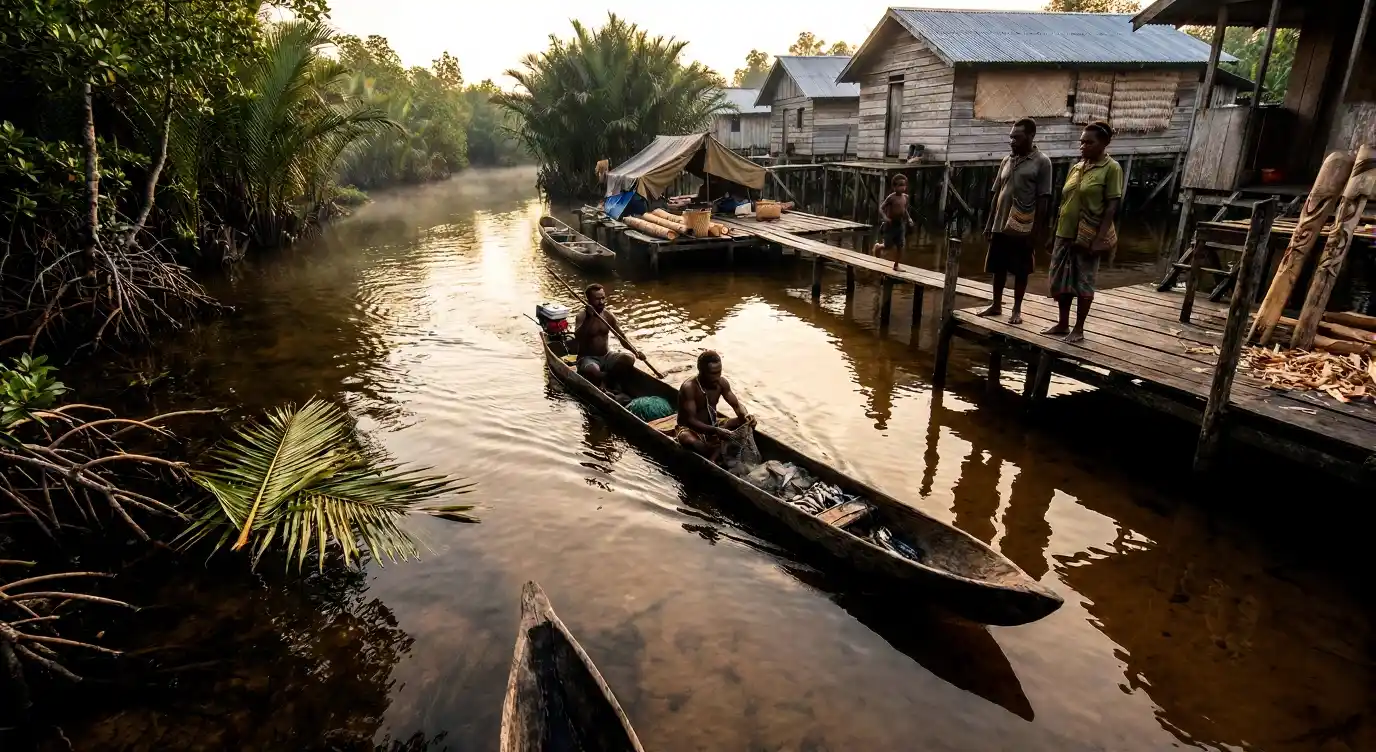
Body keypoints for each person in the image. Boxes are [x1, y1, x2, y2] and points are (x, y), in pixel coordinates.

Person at [1044, 121, 1123, 344]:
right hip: (1064, 232)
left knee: (1083, 281)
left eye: (1089, 142)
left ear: (1104, 143)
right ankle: (1062, 323)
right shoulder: (1077, 167)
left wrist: (1099, 238)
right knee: (1060, 279)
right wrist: (1053, 233)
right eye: (1081, 142)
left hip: (1088, 234)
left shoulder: (1111, 168)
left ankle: (1079, 329)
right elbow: (1064, 202)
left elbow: (1111, 206)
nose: (1083, 146)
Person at [978, 117, 1053, 325]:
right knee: (998, 266)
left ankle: (1017, 309)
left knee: (1021, 269)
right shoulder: (1006, 160)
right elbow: (996, 194)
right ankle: (996, 304)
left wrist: (1036, 232)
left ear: (1030, 136)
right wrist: (989, 224)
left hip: (1023, 224)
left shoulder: (1042, 162)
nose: (1012, 142)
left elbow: (1043, 199)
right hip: (1000, 223)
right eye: (1011, 137)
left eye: (1017, 138)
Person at [676, 350, 754, 461]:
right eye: (713, 374)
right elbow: (690, 421)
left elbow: (737, 406)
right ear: (701, 371)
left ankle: (717, 449)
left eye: (719, 372)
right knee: (687, 438)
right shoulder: (689, 388)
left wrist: (745, 415)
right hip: (692, 429)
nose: (717, 377)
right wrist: (715, 431)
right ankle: (714, 451)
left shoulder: (722, 383)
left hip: (713, 424)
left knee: (743, 422)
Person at [574, 283, 640, 389]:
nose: (601, 302)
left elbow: (621, 337)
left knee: (629, 359)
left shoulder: (608, 316)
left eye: (603, 298)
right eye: (597, 299)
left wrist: (635, 352)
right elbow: (578, 337)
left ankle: (607, 381)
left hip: (607, 355)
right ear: (589, 301)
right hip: (588, 358)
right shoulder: (582, 316)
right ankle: (608, 382)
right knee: (593, 370)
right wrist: (589, 318)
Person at [874, 174, 914, 270]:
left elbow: (904, 210)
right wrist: (885, 218)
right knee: (888, 246)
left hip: (900, 224)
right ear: (894, 187)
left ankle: (896, 265)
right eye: (900, 185)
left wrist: (909, 219)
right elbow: (881, 208)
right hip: (890, 225)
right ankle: (878, 247)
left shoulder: (905, 197)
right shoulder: (891, 197)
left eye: (904, 185)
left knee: (900, 245)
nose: (903, 187)